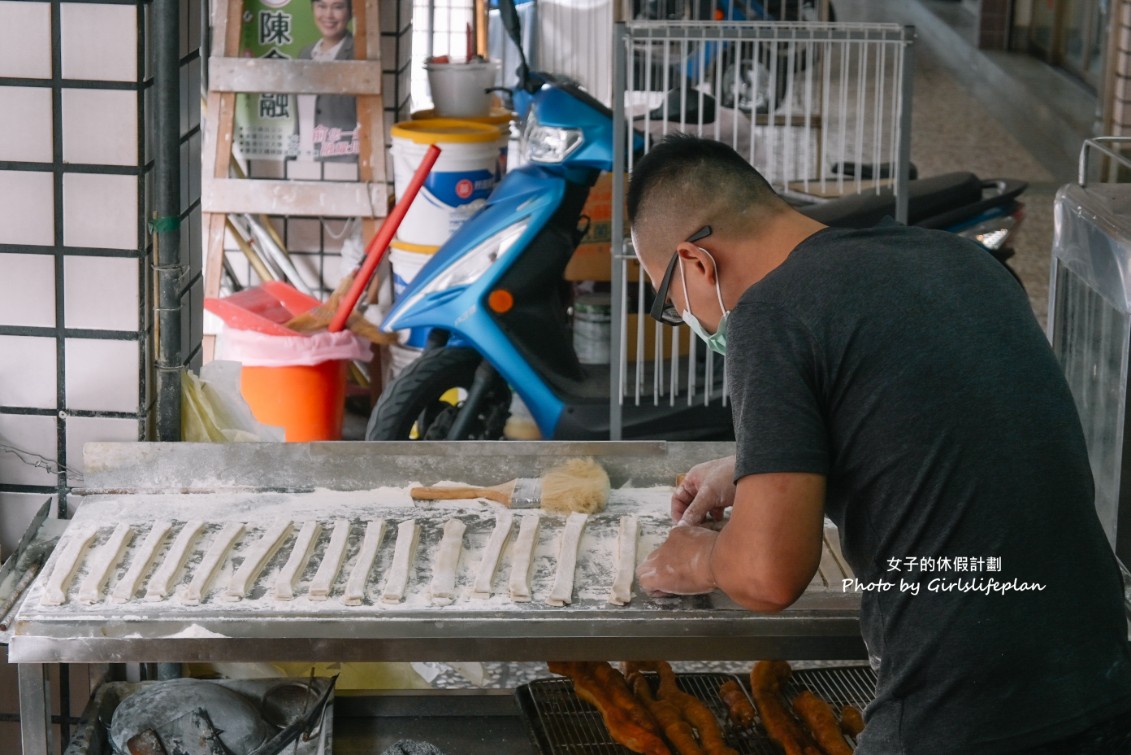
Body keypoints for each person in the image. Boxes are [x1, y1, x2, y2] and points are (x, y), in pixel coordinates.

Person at [629, 134, 1131, 753]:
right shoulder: (960, 260)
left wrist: (694, 559)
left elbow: (766, 575)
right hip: (1102, 681)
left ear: (696, 263)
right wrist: (753, 463)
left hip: (964, 716)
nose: (693, 326)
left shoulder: (771, 312)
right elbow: (942, 417)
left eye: (673, 306)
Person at [298, 0, 359, 162]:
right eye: (322, 6)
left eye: (338, 7)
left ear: (351, 11)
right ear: (312, 8)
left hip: (347, 161)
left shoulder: (359, 55)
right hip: (306, 158)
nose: (328, 15)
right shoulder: (305, 53)